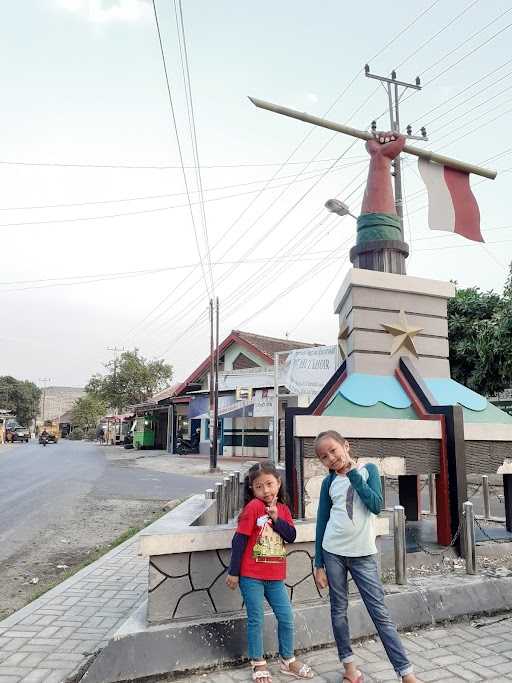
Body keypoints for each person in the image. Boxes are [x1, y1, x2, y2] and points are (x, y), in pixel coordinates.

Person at [313, 430, 418, 683]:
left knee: (379, 612)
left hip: (363, 555)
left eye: (333, 451)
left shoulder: (368, 469)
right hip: (333, 552)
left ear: (346, 446)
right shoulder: (329, 483)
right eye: (324, 457)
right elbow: (322, 521)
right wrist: (318, 563)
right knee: (338, 611)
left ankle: (406, 674)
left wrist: (353, 475)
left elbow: (376, 505)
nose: (331, 458)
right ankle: (349, 668)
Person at [226, 463, 314, 682]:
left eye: (269, 484)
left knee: (286, 617)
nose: (265, 490)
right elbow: (239, 540)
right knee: (256, 619)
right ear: (252, 490)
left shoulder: (282, 509)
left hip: (275, 578)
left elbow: (291, 535)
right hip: (251, 576)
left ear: (278, 483)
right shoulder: (253, 508)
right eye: (259, 486)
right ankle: (258, 663)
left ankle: (288, 660)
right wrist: (234, 572)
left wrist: (276, 518)